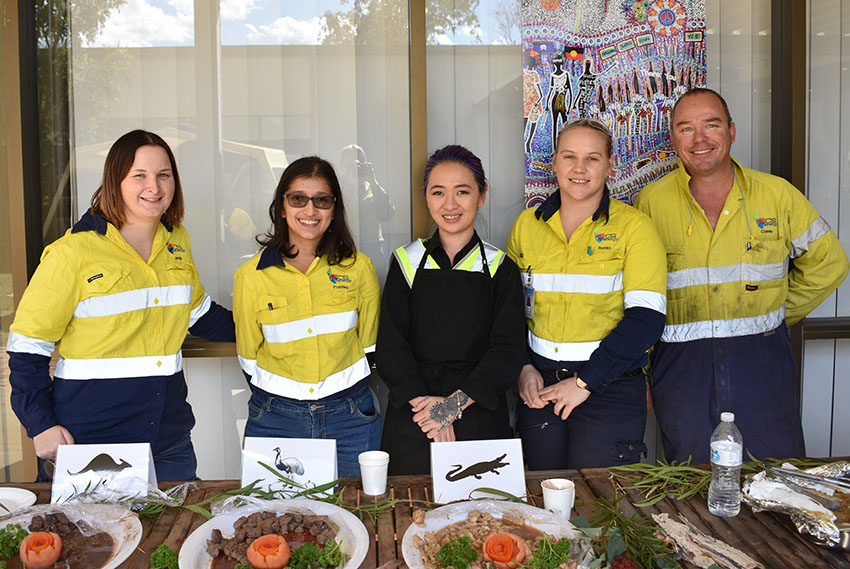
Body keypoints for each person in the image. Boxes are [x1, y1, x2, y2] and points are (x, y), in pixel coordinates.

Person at [635, 88, 849, 463]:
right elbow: (638, 293)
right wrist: (643, 371)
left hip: (761, 362)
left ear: (732, 131)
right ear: (673, 140)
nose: (699, 139)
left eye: (711, 125)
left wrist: (776, 312)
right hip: (681, 369)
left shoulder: (777, 196)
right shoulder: (650, 203)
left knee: (776, 479)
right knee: (694, 484)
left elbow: (829, 263)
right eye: (686, 129)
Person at [7, 129, 235, 481]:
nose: (154, 188)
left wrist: (268, 326)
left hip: (168, 437)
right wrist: (40, 424)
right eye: (139, 176)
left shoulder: (176, 241)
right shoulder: (72, 253)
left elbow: (200, 313)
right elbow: (27, 348)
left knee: (171, 534)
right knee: (96, 536)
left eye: (164, 175)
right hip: (91, 439)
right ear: (115, 181)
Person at [508, 118, 667, 470]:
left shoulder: (635, 228)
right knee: (541, 502)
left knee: (602, 507)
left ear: (611, 166)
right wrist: (522, 367)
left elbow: (647, 320)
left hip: (609, 388)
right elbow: (507, 310)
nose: (579, 169)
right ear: (554, 164)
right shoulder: (527, 225)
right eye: (569, 157)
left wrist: (584, 382)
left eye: (592, 158)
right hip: (540, 389)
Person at [377, 145, 525, 475]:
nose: (450, 204)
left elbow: (507, 351)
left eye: (463, 192)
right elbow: (391, 347)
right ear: (426, 198)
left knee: (485, 518)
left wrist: (451, 406)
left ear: (482, 195)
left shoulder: (501, 268)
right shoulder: (406, 261)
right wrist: (431, 411)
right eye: (438, 192)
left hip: (478, 412)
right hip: (414, 414)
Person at [233, 156, 381, 478]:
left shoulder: (359, 269)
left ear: (334, 209)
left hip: (350, 416)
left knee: (356, 513)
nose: (310, 211)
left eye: (322, 200)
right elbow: (248, 355)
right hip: (276, 418)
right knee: (273, 517)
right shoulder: (251, 276)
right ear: (282, 206)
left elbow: (368, 347)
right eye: (298, 199)